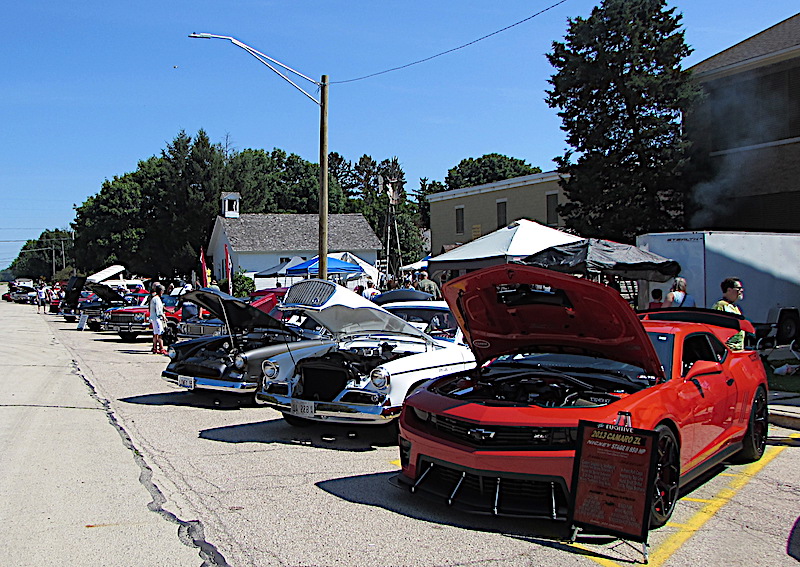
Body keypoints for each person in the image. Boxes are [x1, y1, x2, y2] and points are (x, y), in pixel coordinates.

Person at [712, 277, 745, 350]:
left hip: (737, 349)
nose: (741, 290)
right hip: (728, 349)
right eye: (738, 288)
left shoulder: (734, 306)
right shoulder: (720, 306)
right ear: (729, 290)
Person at [149, 283, 168, 354]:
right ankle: (161, 348)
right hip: (157, 318)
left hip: (153, 318)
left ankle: (154, 348)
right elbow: (159, 310)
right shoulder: (156, 299)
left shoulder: (154, 298)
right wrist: (163, 316)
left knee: (155, 334)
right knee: (160, 334)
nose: (163, 292)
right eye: (162, 291)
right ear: (160, 291)